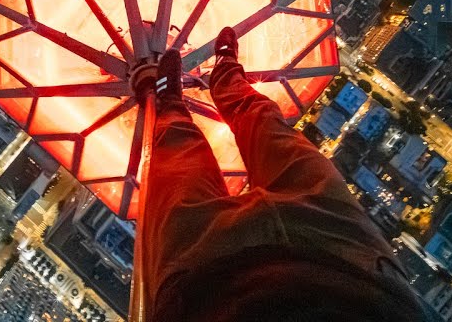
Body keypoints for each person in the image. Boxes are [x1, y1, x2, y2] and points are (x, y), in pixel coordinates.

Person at [130, 27, 425, 322]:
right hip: (352, 268)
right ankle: (225, 76)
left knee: (179, 159)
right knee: (264, 128)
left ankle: (175, 99)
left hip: (210, 288)